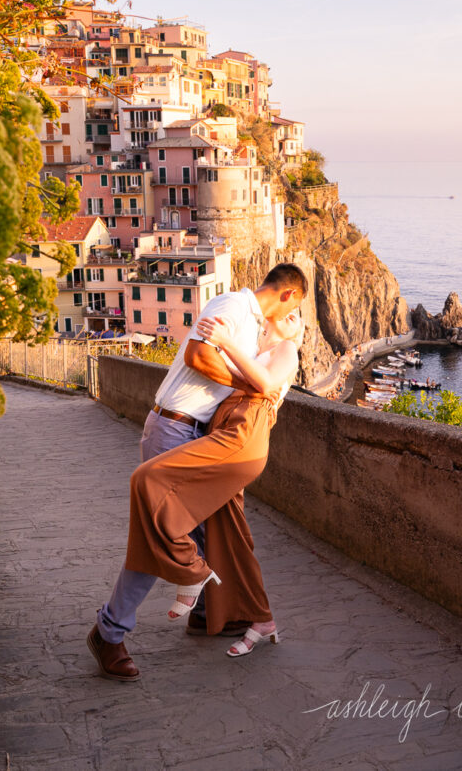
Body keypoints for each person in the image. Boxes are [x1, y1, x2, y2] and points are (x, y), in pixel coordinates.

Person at [86, 263, 308, 681]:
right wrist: (251, 386)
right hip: (176, 424)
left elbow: (266, 371)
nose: (295, 318)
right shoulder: (234, 307)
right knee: (162, 530)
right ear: (289, 296)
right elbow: (198, 354)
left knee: (216, 531)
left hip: (200, 432)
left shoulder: (256, 330)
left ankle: (207, 613)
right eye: (297, 309)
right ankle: (109, 632)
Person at [125, 307, 304, 658]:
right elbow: (228, 374)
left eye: (297, 315)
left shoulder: (286, 349)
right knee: (231, 538)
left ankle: (190, 570)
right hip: (225, 429)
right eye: (289, 312)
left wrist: (222, 341)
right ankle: (261, 619)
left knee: (149, 478)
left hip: (242, 435)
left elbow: (264, 385)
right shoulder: (257, 350)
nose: (288, 316)